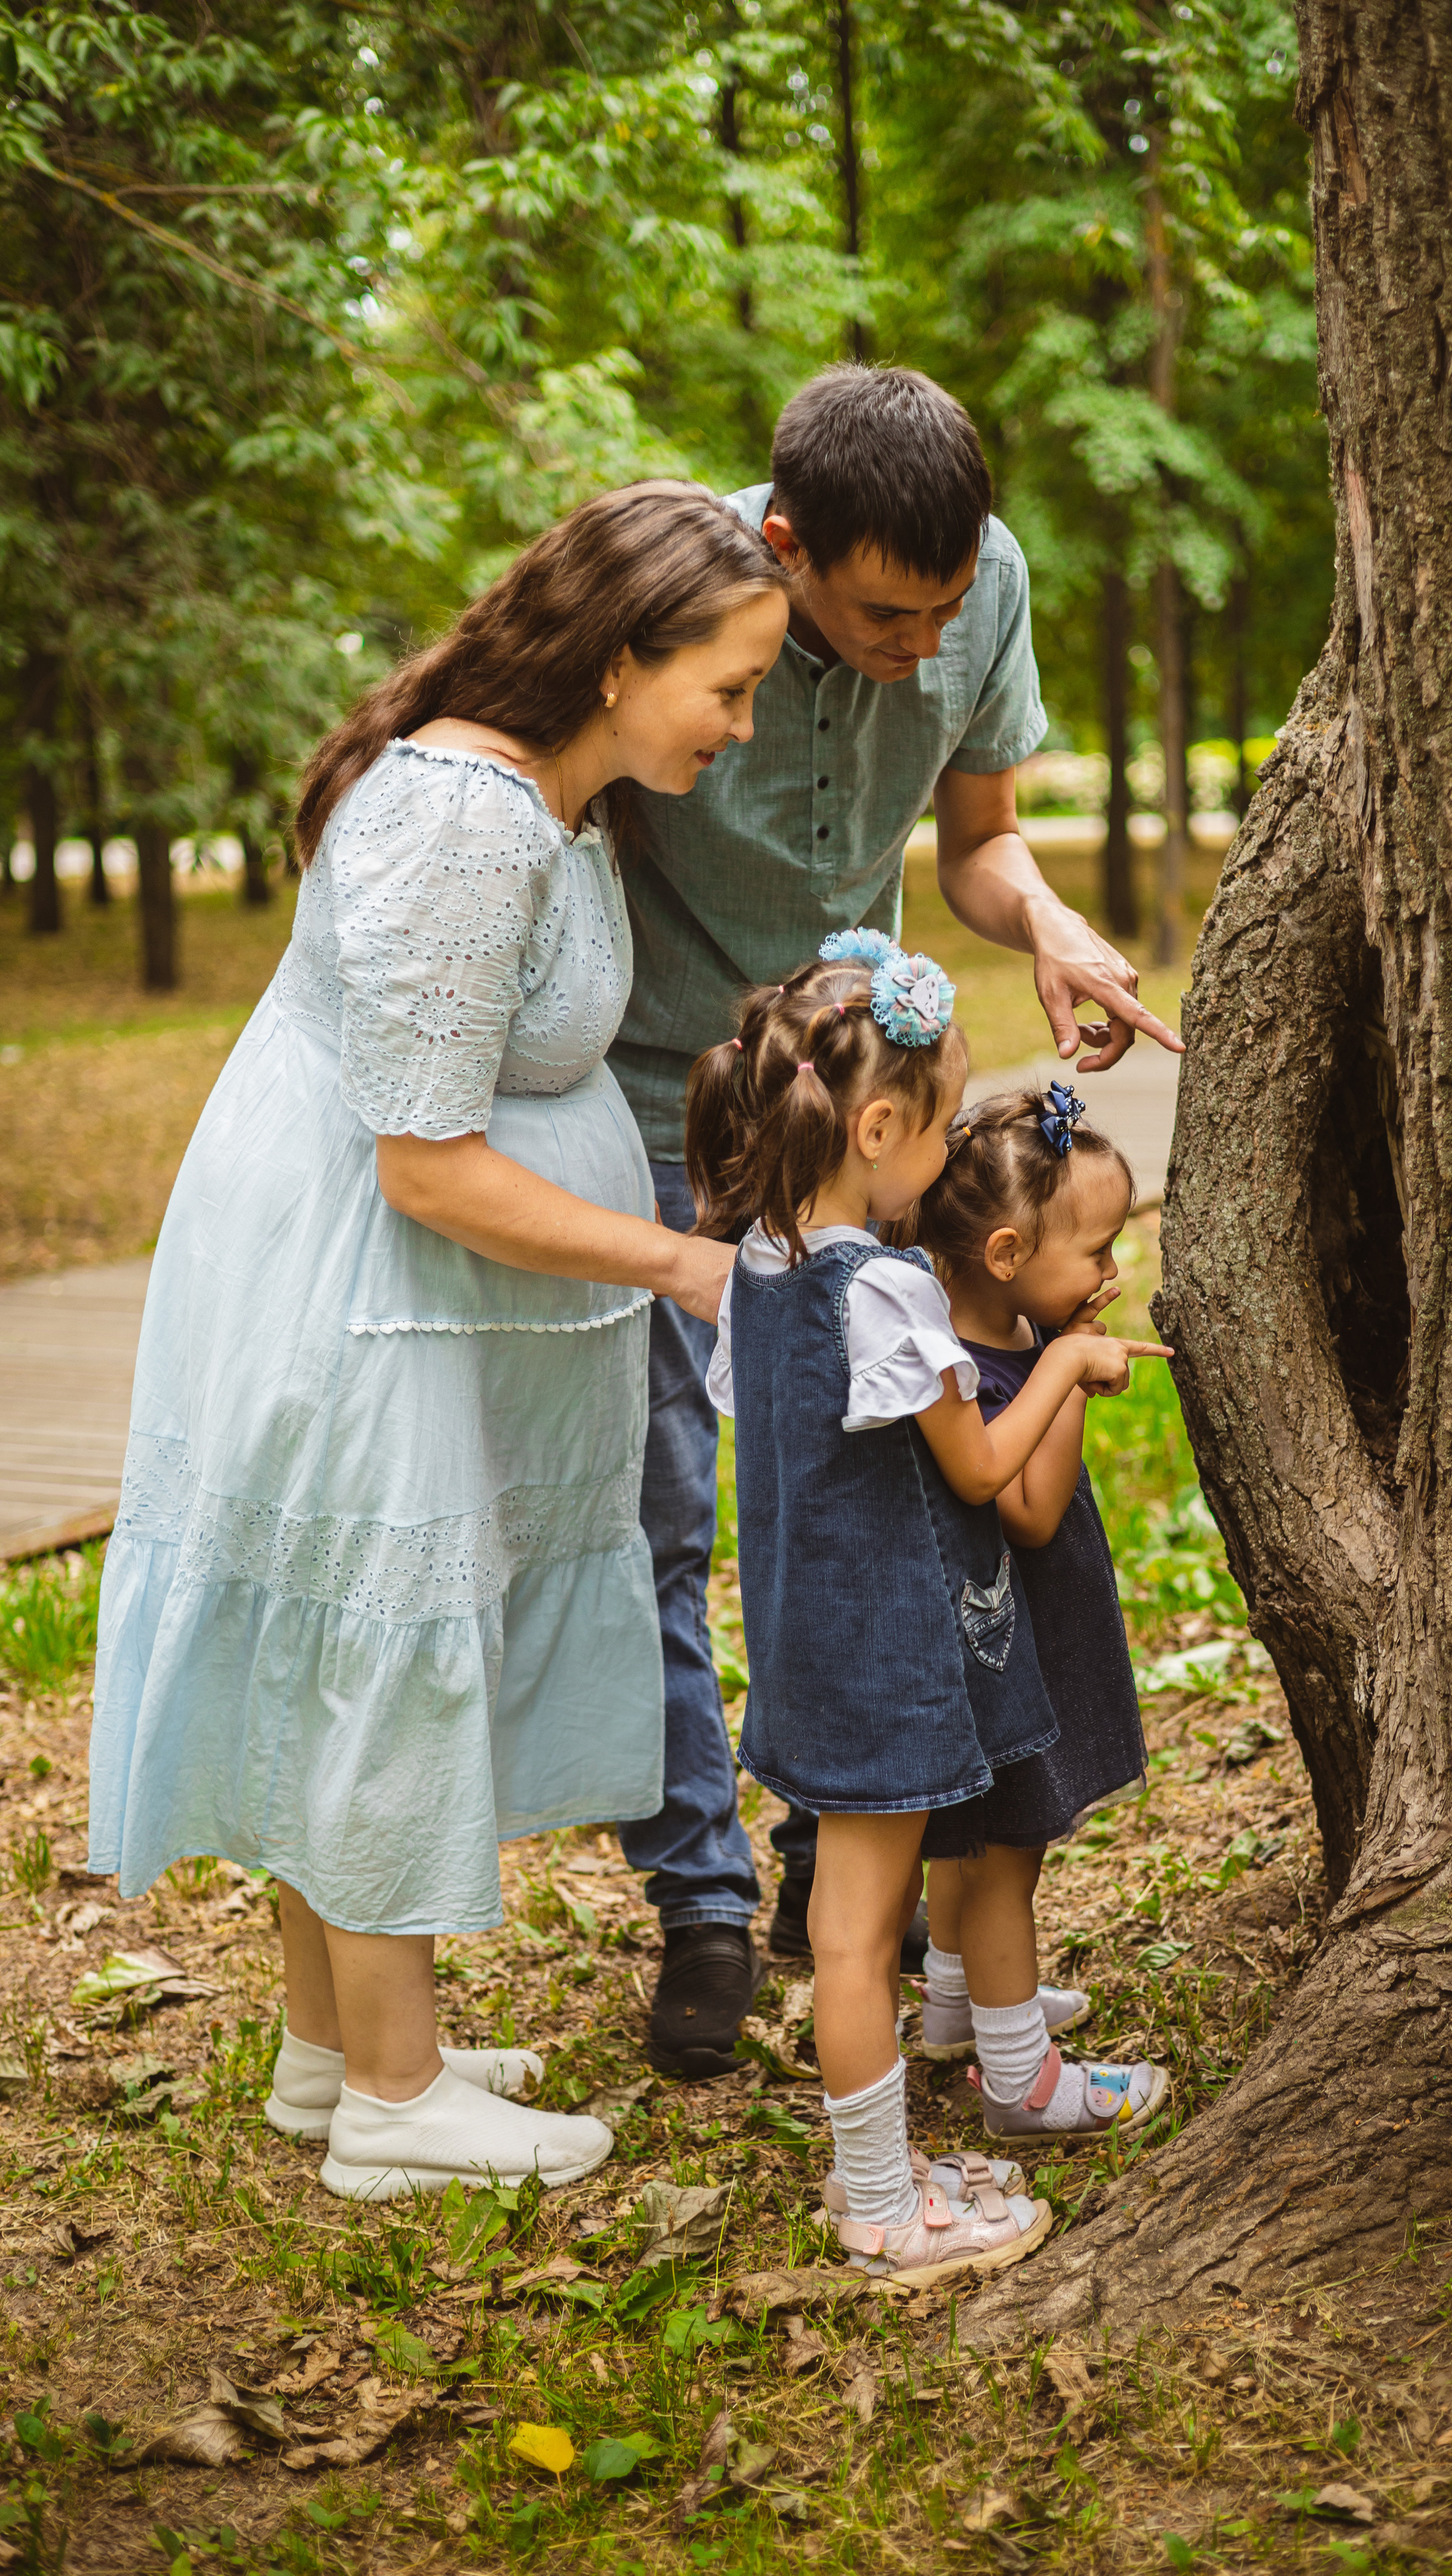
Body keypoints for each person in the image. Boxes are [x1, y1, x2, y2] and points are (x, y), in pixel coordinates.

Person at [87, 483, 788, 2201]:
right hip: (357, 1294)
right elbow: (423, 1160)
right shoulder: (468, 818)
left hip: (397, 1294)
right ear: (624, 662)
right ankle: (399, 2109)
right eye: (732, 684)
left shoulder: (538, 798)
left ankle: (337, 2056)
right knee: (375, 1646)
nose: (744, 725)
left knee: (360, 1635)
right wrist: (683, 1270)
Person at [609, 363, 1184, 2076]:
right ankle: (701, 1900)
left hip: (869, 1137)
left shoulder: (976, 583)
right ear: (781, 550)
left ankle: (832, 1862)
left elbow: (978, 843)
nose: (924, 646)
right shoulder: (672, 595)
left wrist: (1049, 930)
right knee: (674, 1514)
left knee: (897, 1493)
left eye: (949, 609)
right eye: (881, 613)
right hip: (662, 1104)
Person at [690, 936, 1155, 2273]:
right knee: (850, 1949)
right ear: (877, 1126)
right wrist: (1064, 1361)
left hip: (796, 1646)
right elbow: (981, 1466)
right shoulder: (883, 1290)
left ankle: (875, 2174)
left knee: (845, 1939)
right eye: (939, 1122)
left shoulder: (758, 1268)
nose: (947, 1153)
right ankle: (884, 2207)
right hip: (888, 1660)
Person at [910, 1086, 1174, 2137]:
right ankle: (1023, 2079)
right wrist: (1064, 1367)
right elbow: (1030, 1510)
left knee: (966, 1842)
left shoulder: (956, 1323)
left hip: (986, 1634)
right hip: (1001, 1642)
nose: (1113, 1273)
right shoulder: (996, 1361)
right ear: (1010, 1250)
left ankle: (954, 2002)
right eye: (1100, 1250)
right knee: (1007, 1853)